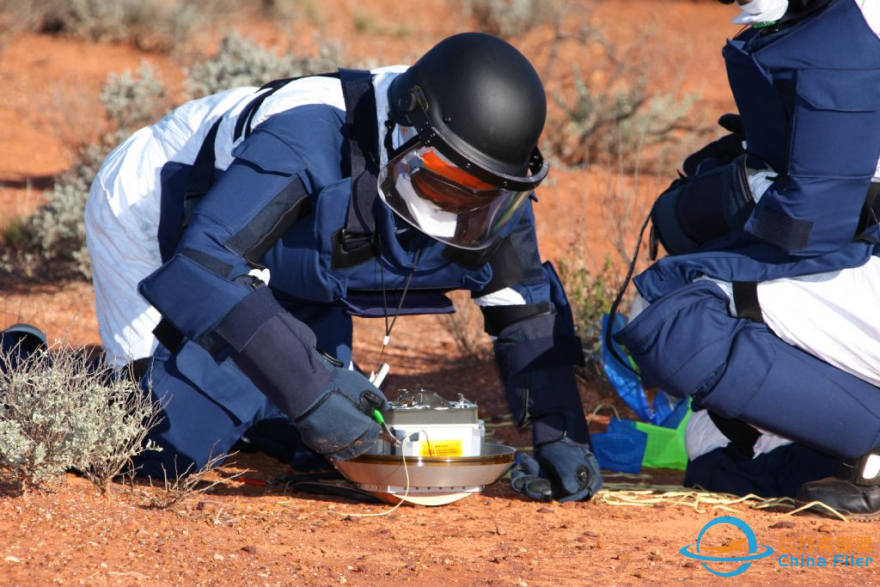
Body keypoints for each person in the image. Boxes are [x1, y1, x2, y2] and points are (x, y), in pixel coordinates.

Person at [82, 32, 601, 502]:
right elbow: (204, 265)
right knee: (159, 446)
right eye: (445, 177)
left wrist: (562, 433)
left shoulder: (488, 172)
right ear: (404, 129)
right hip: (160, 211)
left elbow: (524, 308)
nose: (460, 201)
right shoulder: (307, 130)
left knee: (328, 438)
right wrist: (311, 391)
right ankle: (27, 364)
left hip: (293, 254)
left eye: (480, 189)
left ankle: (244, 400)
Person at [614, 0, 880, 517]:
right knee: (715, 442)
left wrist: (718, 201)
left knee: (670, 318)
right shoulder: (838, 20)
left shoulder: (855, 28)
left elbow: (811, 222)